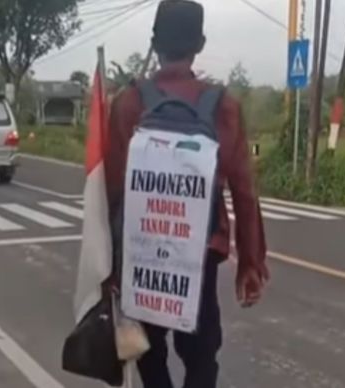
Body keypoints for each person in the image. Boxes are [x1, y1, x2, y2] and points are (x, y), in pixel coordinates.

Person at [104, 1, 269, 388]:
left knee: (147, 348)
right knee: (201, 354)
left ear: (155, 43)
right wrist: (250, 262)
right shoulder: (223, 106)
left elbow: (113, 191)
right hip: (201, 250)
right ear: (200, 43)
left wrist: (109, 267)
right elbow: (244, 191)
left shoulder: (128, 103)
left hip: (142, 251)